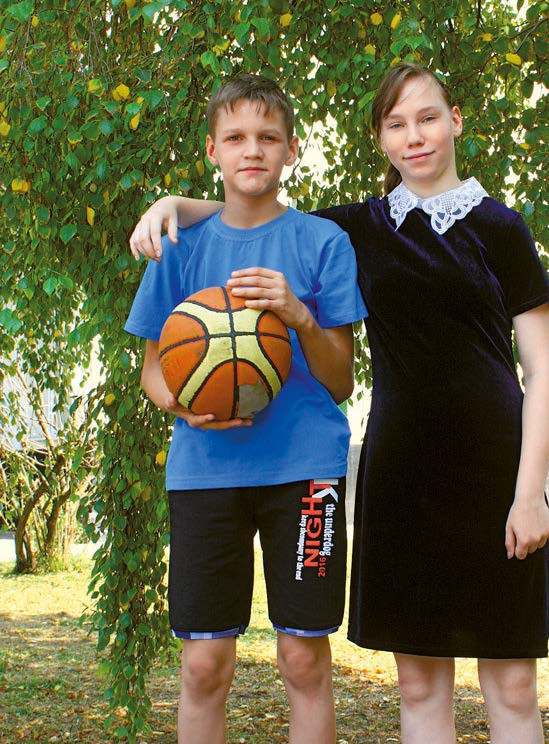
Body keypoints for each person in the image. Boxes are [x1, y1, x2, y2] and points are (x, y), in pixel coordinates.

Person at [129, 64, 549, 744]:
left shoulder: (499, 228)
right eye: (397, 124)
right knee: (417, 684)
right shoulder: (361, 226)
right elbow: (252, 209)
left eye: (427, 118)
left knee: (510, 685)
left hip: (495, 471)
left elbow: (542, 370)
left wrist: (530, 493)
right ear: (381, 139)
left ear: (455, 121)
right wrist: (172, 206)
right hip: (400, 475)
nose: (414, 136)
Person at [124, 73, 367, 744]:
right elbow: (152, 371)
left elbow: (341, 381)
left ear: (292, 149)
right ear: (213, 150)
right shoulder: (179, 244)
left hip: (307, 472)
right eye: (235, 137)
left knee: (303, 660)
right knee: (203, 666)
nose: (251, 150)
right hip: (205, 471)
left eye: (267, 137)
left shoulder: (324, 243)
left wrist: (298, 316)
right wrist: (181, 405)